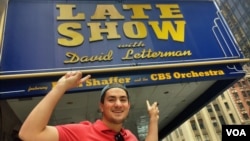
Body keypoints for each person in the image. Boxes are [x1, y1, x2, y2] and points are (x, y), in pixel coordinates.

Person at [18, 71, 159, 141]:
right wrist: (60, 88)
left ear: (128, 106)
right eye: (111, 99)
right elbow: (29, 134)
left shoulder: (129, 137)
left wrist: (153, 119)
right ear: (101, 106)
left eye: (123, 99)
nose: (118, 104)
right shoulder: (80, 132)